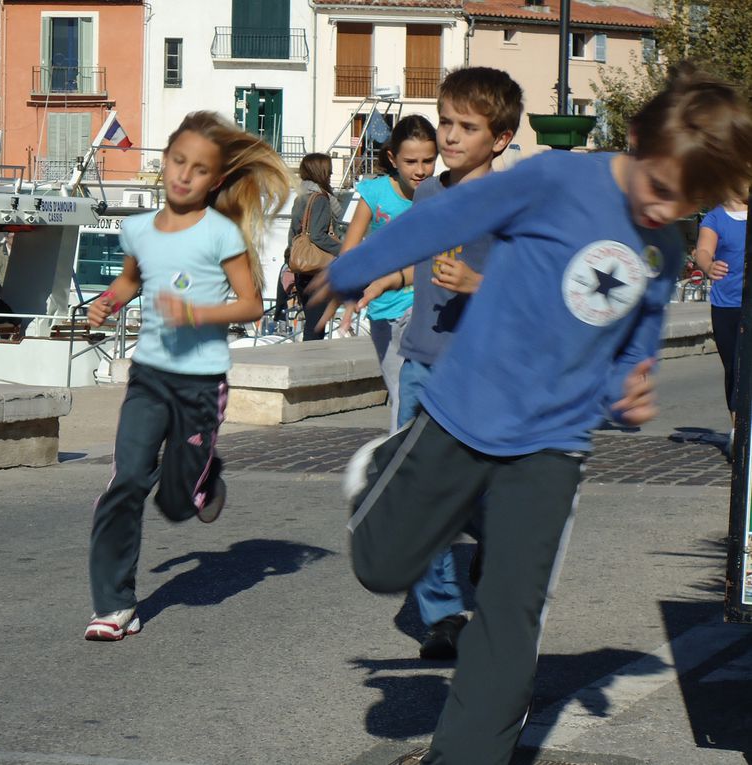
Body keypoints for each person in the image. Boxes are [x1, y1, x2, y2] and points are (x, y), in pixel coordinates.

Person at [313, 62, 752, 764]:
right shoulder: (557, 180)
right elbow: (447, 215)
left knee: (511, 618)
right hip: (465, 410)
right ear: (637, 138)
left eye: (689, 202)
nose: (668, 212)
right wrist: (347, 269)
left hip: (553, 445)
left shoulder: (663, 247)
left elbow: (633, 342)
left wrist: (630, 389)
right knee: (381, 566)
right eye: (663, 189)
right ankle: (381, 475)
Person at [83, 110, 291, 641]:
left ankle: (204, 478)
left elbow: (250, 307)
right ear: (165, 162)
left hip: (200, 384)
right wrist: (105, 302)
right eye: (178, 162)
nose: (184, 175)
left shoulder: (221, 235)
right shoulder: (139, 230)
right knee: (126, 479)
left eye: (199, 169)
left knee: (175, 504)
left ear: (215, 181)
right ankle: (114, 605)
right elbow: (130, 281)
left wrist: (195, 314)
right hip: (149, 377)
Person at [354, 69, 523, 661]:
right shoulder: (428, 196)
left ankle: (494, 536)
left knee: (480, 488)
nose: (449, 137)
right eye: (445, 121)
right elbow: (424, 264)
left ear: (500, 139)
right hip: (423, 361)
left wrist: (480, 281)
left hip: (481, 373)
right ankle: (443, 614)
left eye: (465, 127)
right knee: (417, 488)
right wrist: (389, 277)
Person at [339, 114, 438, 434]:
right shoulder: (375, 193)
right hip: (382, 308)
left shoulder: (439, 194)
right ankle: (401, 457)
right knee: (398, 391)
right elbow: (350, 251)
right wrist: (346, 299)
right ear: (393, 158)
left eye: (428, 160)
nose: (420, 170)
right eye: (411, 161)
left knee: (419, 389)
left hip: (422, 303)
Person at [693, 196, 748, 457]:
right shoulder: (716, 218)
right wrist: (708, 265)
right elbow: (703, 250)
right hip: (727, 305)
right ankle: (738, 431)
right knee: (734, 368)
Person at [287, 152, 342, 341]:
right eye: (329, 171)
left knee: (311, 321)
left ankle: (308, 358)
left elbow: (294, 233)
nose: (331, 174)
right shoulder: (320, 199)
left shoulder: (301, 197)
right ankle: (312, 360)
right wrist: (344, 249)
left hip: (302, 269)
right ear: (322, 172)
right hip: (317, 270)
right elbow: (318, 236)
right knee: (317, 324)